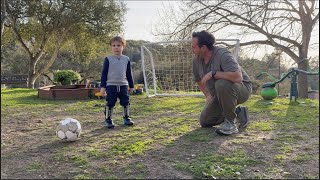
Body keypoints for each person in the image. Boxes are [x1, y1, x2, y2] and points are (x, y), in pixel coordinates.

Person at [191, 30, 252, 135]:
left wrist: (214, 73)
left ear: (204, 48)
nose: (192, 49)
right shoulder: (196, 61)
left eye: (194, 47)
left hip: (242, 89)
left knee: (221, 83)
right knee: (205, 121)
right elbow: (199, 81)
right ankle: (239, 112)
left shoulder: (223, 54)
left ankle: (230, 123)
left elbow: (238, 78)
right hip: (220, 94)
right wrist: (208, 95)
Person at [100, 36, 135, 129]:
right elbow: (104, 73)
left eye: (119, 45)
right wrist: (103, 87)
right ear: (111, 47)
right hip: (111, 85)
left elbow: (129, 73)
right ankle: (108, 119)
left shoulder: (126, 59)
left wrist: (131, 85)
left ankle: (126, 118)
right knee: (111, 102)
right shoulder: (108, 59)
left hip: (123, 85)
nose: (116, 47)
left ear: (123, 46)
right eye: (114, 45)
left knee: (125, 102)